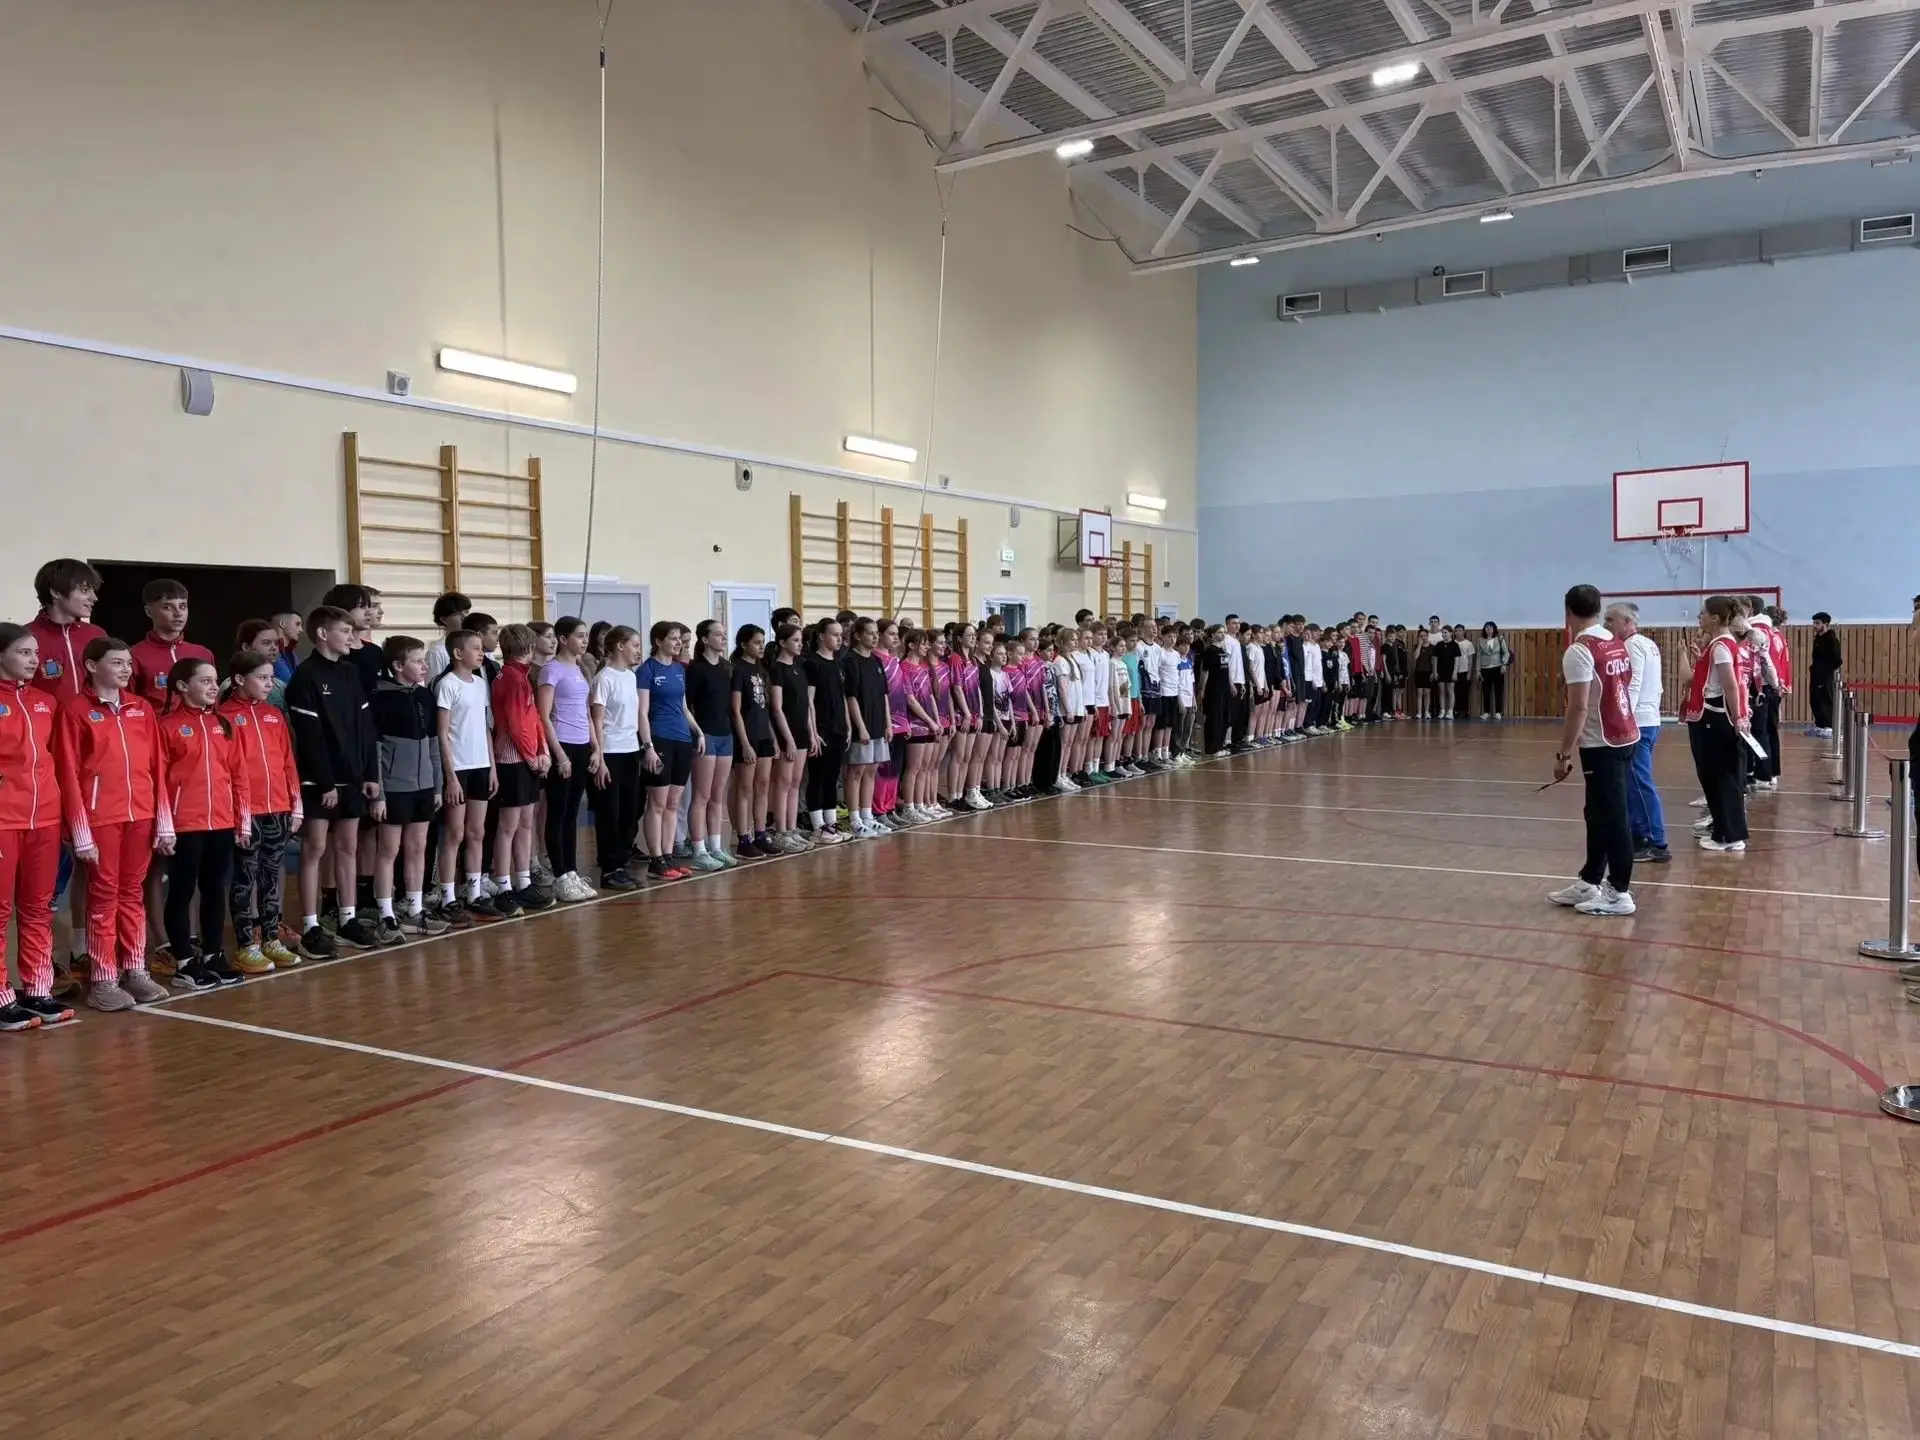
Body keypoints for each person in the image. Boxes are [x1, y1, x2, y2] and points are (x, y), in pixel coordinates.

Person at [54, 636, 175, 1010]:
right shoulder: (75, 710)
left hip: (141, 815)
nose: (126, 669)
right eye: (117, 662)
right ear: (92, 666)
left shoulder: (141, 708)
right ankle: (104, 979)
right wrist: (79, 831)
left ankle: (135, 969)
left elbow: (158, 767)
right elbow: (68, 773)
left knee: (132, 894)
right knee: (103, 898)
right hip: (100, 819)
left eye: (128, 663)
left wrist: (164, 822)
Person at [285, 604, 381, 959]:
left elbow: (365, 727)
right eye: (345, 630)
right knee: (314, 849)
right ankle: (311, 925)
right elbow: (309, 736)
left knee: (348, 847)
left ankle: (347, 919)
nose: (351, 637)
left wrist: (370, 774)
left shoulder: (351, 672)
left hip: (353, 779)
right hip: (319, 782)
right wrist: (324, 782)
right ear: (323, 634)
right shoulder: (305, 676)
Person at [30, 558, 107, 995]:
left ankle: (82, 950)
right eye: (84, 589)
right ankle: (45, 962)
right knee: (50, 872)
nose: (92, 597)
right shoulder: (29, 640)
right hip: (48, 769)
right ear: (58, 592)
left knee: (92, 865)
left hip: (96, 768)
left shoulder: (96, 637)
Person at [156, 656, 251, 989]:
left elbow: (238, 775)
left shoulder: (223, 724)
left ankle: (213, 955)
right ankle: (184, 961)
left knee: (214, 889)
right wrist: (164, 825)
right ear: (183, 686)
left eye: (215, 680)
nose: (214, 686)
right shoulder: (166, 726)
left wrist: (242, 821)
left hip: (221, 822)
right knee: (181, 890)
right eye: (205, 681)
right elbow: (158, 780)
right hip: (184, 824)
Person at [0, 624, 76, 1029]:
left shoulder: (46, 703)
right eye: (23, 652)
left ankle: (38, 989)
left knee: (37, 909)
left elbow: (58, 761)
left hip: (44, 819)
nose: (34, 660)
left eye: (35, 652)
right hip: (3, 821)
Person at [1548, 586, 1639, 916]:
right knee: (1598, 814)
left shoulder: (1580, 650)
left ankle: (1619, 893)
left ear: (1568, 612)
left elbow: (1578, 707)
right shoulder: (1615, 641)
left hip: (1602, 743)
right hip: (1625, 734)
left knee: (1613, 818)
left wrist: (1563, 754)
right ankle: (1590, 881)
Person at [220, 649, 304, 969]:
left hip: (278, 808)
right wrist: (239, 816)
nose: (270, 684)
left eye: (271, 678)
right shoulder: (225, 716)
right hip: (247, 813)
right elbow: (229, 770)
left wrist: (296, 805)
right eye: (262, 678)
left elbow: (287, 762)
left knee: (271, 878)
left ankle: (271, 939)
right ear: (240, 680)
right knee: (245, 878)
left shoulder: (274, 715)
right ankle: (246, 945)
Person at [370, 636, 446, 941]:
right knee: (389, 850)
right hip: (394, 788)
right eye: (417, 661)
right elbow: (375, 750)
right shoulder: (380, 698)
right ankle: (386, 915)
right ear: (398, 665)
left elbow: (434, 745)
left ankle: (415, 910)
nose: (424, 666)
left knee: (418, 847)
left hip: (424, 787)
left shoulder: (425, 696)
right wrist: (380, 794)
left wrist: (437, 786)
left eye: (424, 660)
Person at [1682, 596, 1751, 853]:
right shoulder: (1719, 644)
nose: (1699, 617)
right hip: (1713, 717)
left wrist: (1738, 716)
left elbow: (1731, 685)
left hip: (1714, 717)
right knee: (1717, 776)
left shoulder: (1721, 646)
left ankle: (1728, 835)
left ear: (1715, 618)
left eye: (1703, 613)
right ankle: (1725, 830)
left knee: (1720, 777)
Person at [537, 617, 599, 902]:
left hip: (582, 745)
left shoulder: (581, 668)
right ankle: (560, 875)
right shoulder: (551, 670)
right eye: (579, 636)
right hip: (562, 745)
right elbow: (543, 716)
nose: (585, 641)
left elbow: (586, 713)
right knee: (558, 812)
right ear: (563, 639)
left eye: (586, 635)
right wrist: (559, 755)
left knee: (572, 813)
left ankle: (572, 871)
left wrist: (596, 748)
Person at [1605, 602, 1668, 865]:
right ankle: (1639, 836)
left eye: (1611, 620)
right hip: (1648, 720)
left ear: (1628, 622)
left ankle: (1656, 841)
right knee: (1633, 781)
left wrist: (1624, 720)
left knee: (1639, 781)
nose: (1607, 624)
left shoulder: (1632, 646)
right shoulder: (1647, 644)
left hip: (1638, 723)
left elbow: (1633, 684)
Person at [636, 621, 698, 879]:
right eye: (673, 638)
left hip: (682, 740)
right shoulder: (646, 670)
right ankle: (656, 860)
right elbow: (641, 712)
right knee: (658, 804)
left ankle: (668, 856)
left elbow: (683, 708)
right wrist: (648, 746)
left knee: (673, 803)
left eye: (679, 639)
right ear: (658, 641)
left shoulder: (679, 669)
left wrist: (698, 732)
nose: (678, 642)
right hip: (659, 739)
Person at [588, 625, 645, 889]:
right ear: (620, 646)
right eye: (635, 645)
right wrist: (599, 757)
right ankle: (610, 869)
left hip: (630, 750)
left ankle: (622, 863)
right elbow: (597, 720)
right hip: (610, 752)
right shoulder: (604, 678)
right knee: (609, 812)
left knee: (629, 810)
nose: (638, 650)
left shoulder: (630, 677)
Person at [685, 619, 737, 866]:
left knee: (718, 795)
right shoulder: (695, 669)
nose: (723, 638)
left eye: (724, 634)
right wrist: (697, 734)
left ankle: (715, 847)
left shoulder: (727, 668)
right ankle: (699, 850)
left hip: (725, 735)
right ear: (705, 639)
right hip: (705, 736)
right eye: (718, 634)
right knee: (702, 795)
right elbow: (687, 705)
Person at [765, 622, 813, 852]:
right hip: (787, 734)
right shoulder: (777, 670)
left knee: (795, 783)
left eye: (801, 640)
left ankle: (792, 829)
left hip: (801, 733)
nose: (800, 644)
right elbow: (777, 708)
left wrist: (811, 733)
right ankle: (781, 831)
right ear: (782, 643)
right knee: (783, 784)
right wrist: (789, 739)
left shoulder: (799, 668)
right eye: (795, 640)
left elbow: (806, 705)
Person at [841, 617, 891, 838]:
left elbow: (884, 695)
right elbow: (850, 697)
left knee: (871, 771)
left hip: (878, 724)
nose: (875, 637)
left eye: (876, 633)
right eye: (870, 633)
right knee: (857, 771)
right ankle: (854, 819)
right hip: (862, 725)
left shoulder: (876, 661)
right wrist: (860, 727)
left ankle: (867, 815)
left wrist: (888, 723)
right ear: (857, 635)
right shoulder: (849, 661)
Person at [801, 619, 848, 844]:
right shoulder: (812, 663)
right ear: (821, 636)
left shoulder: (838, 664)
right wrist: (813, 731)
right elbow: (809, 701)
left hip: (838, 727)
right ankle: (818, 826)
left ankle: (831, 823)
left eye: (841, 635)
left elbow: (842, 697)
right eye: (834, 634)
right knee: (818, 778)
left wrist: (847, 725)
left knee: (832, 778)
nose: (839, 639)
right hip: (821, 729)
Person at [1807, 611, 1841, 738]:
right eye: (1814, 623)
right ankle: (1820, 725)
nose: (1814, 626)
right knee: (1815, 699)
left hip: (1825, 675)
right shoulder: (1817, 638)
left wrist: (1826, 671)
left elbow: (1837, 659)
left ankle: (1829, 727)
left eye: (1817, 623)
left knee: (1825, 699)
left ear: (1825, 624)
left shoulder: (1831, 639)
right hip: (1816, 674)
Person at [424, 591, 471, 681]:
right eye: (457, 613)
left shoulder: (480, 646)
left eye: (466, 611)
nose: (464, 616)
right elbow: (432, 684)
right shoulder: (437, 651)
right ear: (444, 619)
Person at [1475, 622, 1510, 720]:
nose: (1488, 629)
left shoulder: (1499, 638)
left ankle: (1498, 712)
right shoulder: (1480, 640)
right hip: (1485, 668)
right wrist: (1478, 670)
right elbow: (1478, 656)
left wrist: (1504, 664)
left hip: (1497, 667)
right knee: (1486, 691)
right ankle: (1487, 712)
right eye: (1486, 627)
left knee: (1498, 691)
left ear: (1494, 629)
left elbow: (1506, 652)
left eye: (1490, 627)